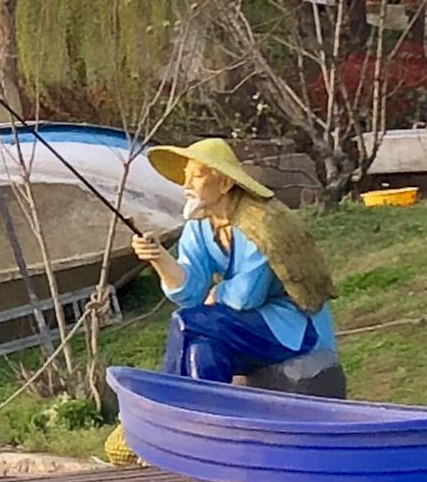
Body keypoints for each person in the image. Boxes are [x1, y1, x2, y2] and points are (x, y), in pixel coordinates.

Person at [131, 137, 338, 383]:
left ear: (225, 183)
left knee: (186, 321)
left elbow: (247, 297)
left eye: (197, 176)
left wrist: (217, 293)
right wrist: (160, 259)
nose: (186, 184)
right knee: (203, 350)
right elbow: (191, 293)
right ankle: (205, 418)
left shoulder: (260, 225)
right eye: (185, 175)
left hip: (291, 328)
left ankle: (166, 397)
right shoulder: (200, 225)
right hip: (242, 327)